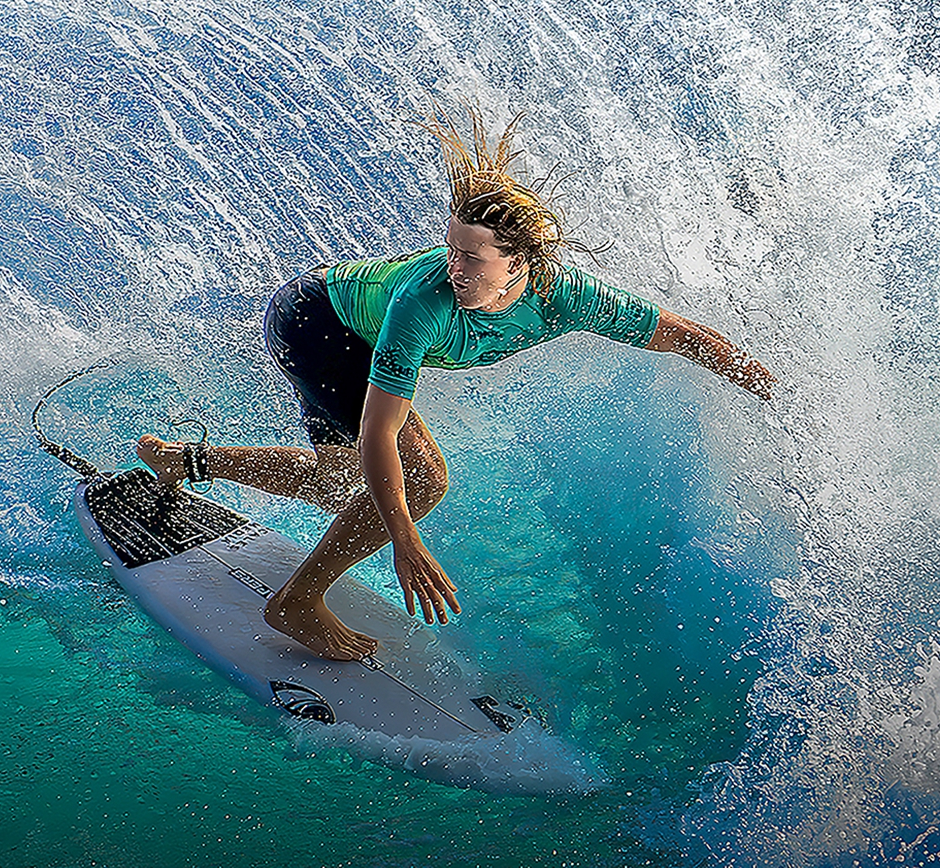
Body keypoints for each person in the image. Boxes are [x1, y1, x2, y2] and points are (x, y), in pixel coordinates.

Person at [137, 110, 775, 662]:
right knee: (417, 481)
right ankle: (297, 600)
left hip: (338, 327)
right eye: (452, 249)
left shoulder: (568, 298)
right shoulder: (424, 303)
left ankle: (186, 460)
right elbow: (380, 430)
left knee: (349, 487)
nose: (455, 266)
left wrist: (744, 371)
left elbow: (671, 331)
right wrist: (406, 540)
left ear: (520, 264)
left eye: (473, 257)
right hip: (317, 326)